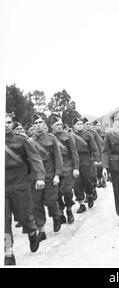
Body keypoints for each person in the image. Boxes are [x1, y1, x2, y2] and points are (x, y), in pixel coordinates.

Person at [5, 113, 45, 265]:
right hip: (3, 186)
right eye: (3, 123)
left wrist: (40, 177)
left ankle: (32, 232)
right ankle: (9, 252)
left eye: (8, 122)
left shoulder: (21, 140)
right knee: (4, 222)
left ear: (12, 123)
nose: (6, 125)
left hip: (20, 184)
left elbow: (35, 158)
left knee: (25, 218)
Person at [30, 114, 64, 242]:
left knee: (51, 201)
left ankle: (56, 216)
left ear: (44, 124)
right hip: (35, 177)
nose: (38, 125)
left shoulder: (51, 138)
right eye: (36, 123)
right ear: (33, 125)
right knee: (36, 204)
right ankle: (42, 230)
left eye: (40, 122)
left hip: (50, 175)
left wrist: (57, 175)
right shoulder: (29, 141)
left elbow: (58, 157)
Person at [51, 116, 80, 224]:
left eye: (60, 124)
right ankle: (61, 210)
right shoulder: (50, 137)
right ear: (51, 126)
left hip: (68, 167)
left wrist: (76, 168)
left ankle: (69, 209)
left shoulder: (68, 136)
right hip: (55, 170)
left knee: (67, 191)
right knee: (57, 193)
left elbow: (74, 153)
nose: (59, 126)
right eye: (57, 125)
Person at [72, 117, 100, 213]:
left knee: (87, 181)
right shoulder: (70, 135)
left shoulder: (87, 134)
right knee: (76, 183)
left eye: (80, 124)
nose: (79, 126)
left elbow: (94, 148)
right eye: (77, 124)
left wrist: (96, 159)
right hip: (74, 161)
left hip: (86, 159)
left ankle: (90, 195)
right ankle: (81, 204)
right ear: (74, 126)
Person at [82, 118, 102, 200]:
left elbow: (99, 146)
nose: (88, 125)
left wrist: (99, 158)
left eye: (89, 124)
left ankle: (93, 190)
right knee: (84, 178)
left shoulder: (94, 133)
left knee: (92, 176)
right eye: (86, 124)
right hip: (82, 159)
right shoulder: (77, 134)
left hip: (92, 157)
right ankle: (87, 194)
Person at [93, 120, 106, 187]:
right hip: (96, 151)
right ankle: (98, 180)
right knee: (97, 167)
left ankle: (103, 180)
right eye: (97, 125)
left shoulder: (103, 133)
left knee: (102, 166)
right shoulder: (92, 133)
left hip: (103, 150)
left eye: (99, 125)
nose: (98, 127)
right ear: (94, 126)